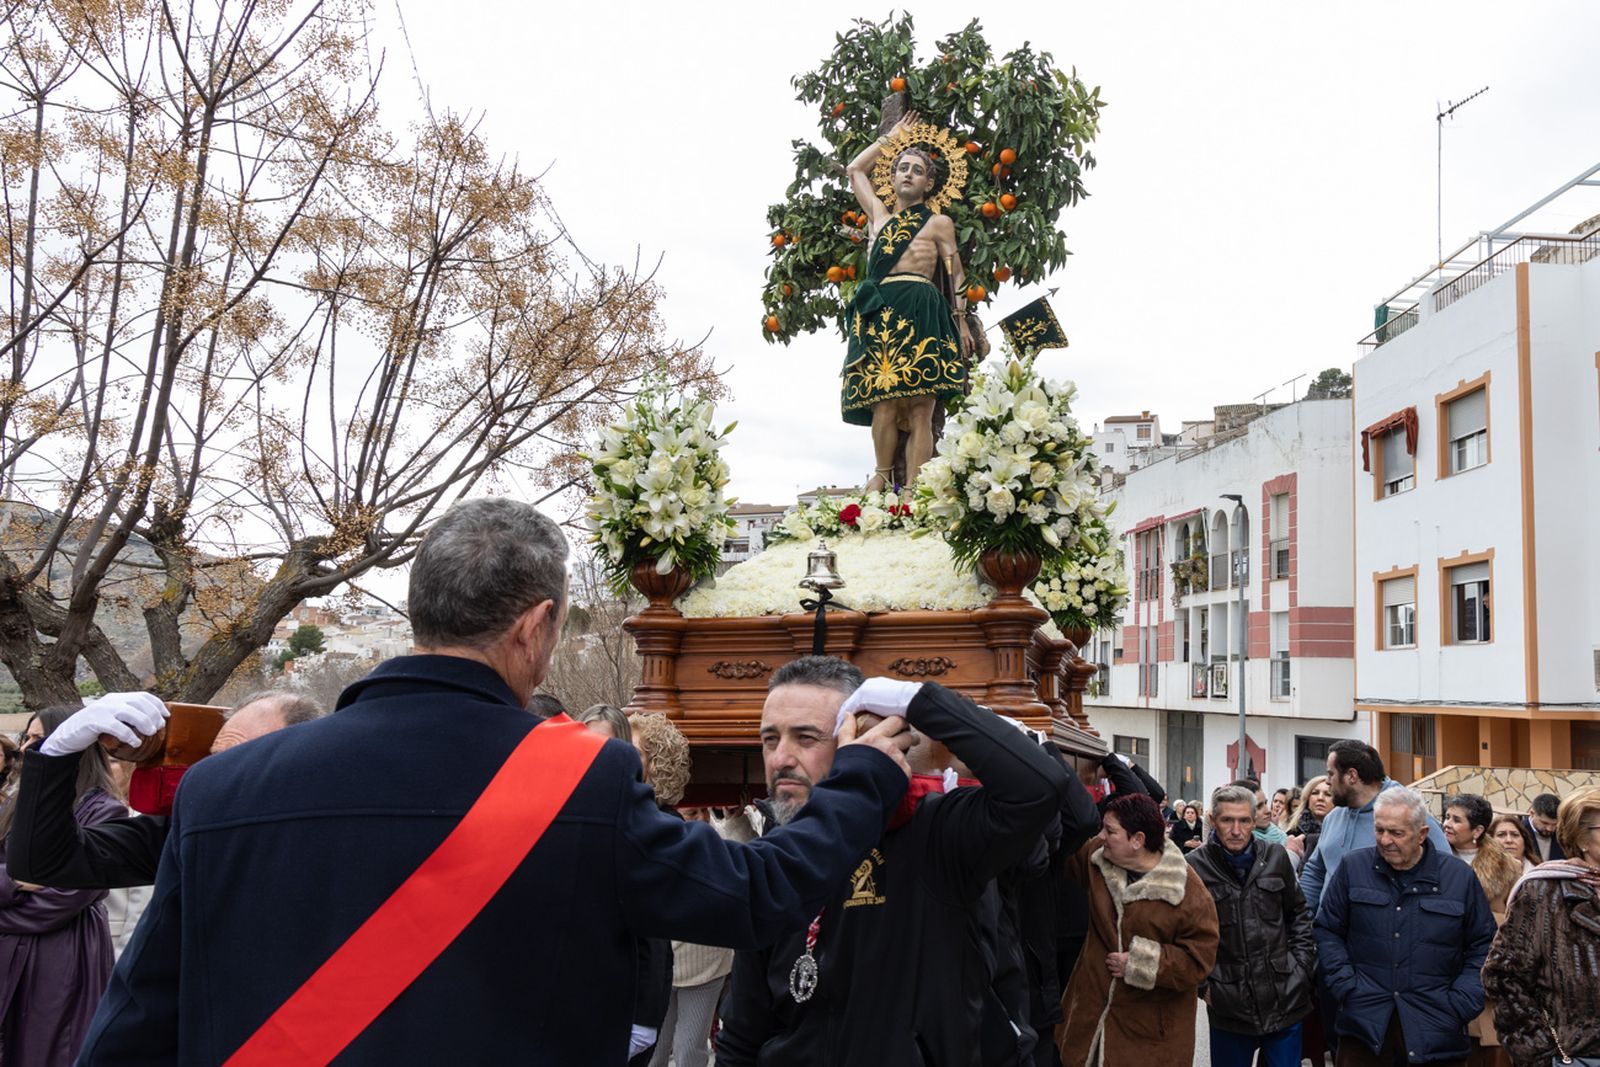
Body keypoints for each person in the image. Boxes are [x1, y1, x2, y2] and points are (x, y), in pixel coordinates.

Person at [78, 499, 917, 1065]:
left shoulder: (223, 790)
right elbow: (757, 890)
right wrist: (867, 775)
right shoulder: (582, 781)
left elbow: (132, 1029)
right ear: (536, 626)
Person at [717, 657, 1090, 1067]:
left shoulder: (936, 832)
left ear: (865, 735)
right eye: (770, 740)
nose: (780, 758)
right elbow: (742, 1035)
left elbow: (1039, 787)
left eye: (806, 738)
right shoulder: (777, 853)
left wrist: (913, 700)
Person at [6, 690, 323, 890]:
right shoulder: (190, 836)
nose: (220, 775)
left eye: (243, 758)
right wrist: (57, 752)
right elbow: (43, 862)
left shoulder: (332, 840)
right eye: (214, 759)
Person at [1313, 786, 1495, 1067]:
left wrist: (1461, 1002)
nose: (1385, 840)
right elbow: (1328, 930)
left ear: (1422, 834)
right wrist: (1346, 986)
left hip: (1436, 1030)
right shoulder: (1353, 868)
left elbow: (1483, 945)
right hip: (1364, 1029)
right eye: (1379, 830)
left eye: (1396, 833)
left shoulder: (1458, 878)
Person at [841, 111, 975, 492]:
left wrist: (961, 320)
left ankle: (916, 491)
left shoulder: (938, 223)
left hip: (923, 309)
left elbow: (956, 273)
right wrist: (890, 139)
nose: (907, 174)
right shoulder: (878, 218)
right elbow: (854, 170)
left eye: (917, 170)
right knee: (883, 401)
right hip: (882, 312)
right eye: (902, 167)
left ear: (929, 182)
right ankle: (881, 478)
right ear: (893, 174)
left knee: (922, 406)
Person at [1057, 792, 1220, 1067]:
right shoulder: (1097, 859)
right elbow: (1060, 851)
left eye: (1110, 831)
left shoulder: (1188, 892)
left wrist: (1140, 962)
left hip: (1149, 1041)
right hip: (1087, 1030)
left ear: (1138, 840)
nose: (1101, 836)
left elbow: (1198, 960)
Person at [0, 707, 124, 1067]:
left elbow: (61, 901)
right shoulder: (15, 805)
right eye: (26, 737)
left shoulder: (103, 811)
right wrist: (15, 883)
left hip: (61, 957)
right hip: (10, 954)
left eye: (38, 739)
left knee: (48, 1052)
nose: (25, 749)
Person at [1187, 784, 1315, 1067]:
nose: (1236, 829)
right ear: (1212, 821)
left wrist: (1301, 969)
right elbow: (1182, 935)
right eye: (1227, 820)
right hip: (1229, 1007)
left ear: (1254, 820)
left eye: (1244, 820)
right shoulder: (1193, 868)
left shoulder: (1276, 857)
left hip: (1285, 998)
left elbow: (1298, 916)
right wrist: (1204, 986)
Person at [1482, 785, 1600, 1066]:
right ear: (1582, 838)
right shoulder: (1543, 890)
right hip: (1576, 1056)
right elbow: (1504, 976)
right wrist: (1539, 1054)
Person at [1298, 739, 1450, 917]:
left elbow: (1445, 874)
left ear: (1352, 776)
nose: (1327, 781)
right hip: (1331, 935)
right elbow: (1316, 873)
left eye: (1331, 774)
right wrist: (1301, 924)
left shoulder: (1409, 816)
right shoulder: (1333, 817)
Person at [1443, 794, 1520, 1067]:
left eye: (1456, 819)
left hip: (1484, 968)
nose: (1447, 824)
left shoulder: (1507, 868)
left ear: (1477, 831)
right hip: (1439, 966)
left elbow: (1516, 923)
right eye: (1447, 816)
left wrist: (1483, 922)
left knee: (1484, 1051)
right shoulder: (1431, 859)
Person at [1284, 774, 1332, 864]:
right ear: (1307, 799)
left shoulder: (1343, 833)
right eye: (1315, 793)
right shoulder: (1294, 834)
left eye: (1328, 794)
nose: (1320, 798)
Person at [1522, 793, 1565, 863]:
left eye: (1554, 824)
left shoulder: (1563, 833)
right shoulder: (1518, 831)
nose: (1550, 829)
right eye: (1545, 823)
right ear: (1532, 814)